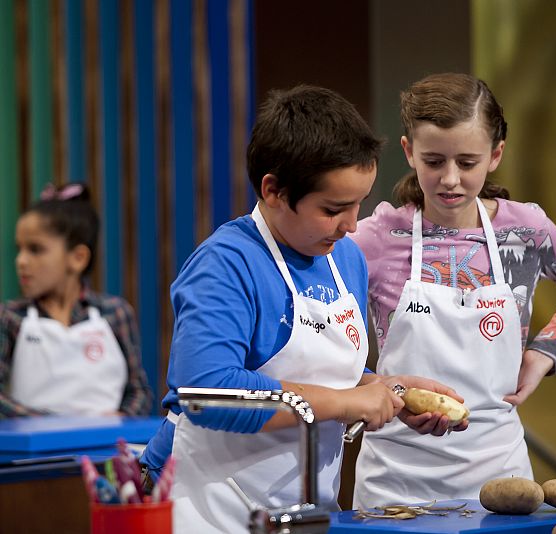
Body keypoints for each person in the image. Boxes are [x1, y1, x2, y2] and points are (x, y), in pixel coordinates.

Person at [139, 85, 463, 533]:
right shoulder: (226, 264)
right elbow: (207, 394)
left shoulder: (342, 257)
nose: (351, 225)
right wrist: (348, 401)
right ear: (273, 190)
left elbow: (317, 378)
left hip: (300, 515)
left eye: (358, 205)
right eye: (333, 208)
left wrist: (386, 390)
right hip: (208, 514)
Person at [352, 72, 556, 508]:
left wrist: (545, 355)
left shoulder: (525, 230)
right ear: (408, 153)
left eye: (467, 163)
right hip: (395, 482)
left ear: (495, 155)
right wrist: (372, 385)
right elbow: (320, 326)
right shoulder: (375, 238)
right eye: (434, 161)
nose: (450, 179)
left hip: (500, 476)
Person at [0, 183, 153, 418]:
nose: (21, 261)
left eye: (35, 249)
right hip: (35, 454)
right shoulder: (10, 317)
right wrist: (48, 424)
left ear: (78, 258)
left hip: (106, 450)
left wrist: (122, 417)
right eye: (18, 249)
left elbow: (139, 392)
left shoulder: (116, 313)